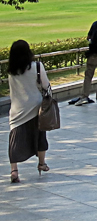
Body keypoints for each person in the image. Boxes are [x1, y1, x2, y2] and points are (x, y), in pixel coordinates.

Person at [7, 40, 50, 183]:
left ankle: (14, 170)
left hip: (17, 109)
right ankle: (42, 163)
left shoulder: (11, 71)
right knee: (39, 136)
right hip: (36, 107)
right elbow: (46, 85)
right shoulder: (37, 66)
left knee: (14, 139)